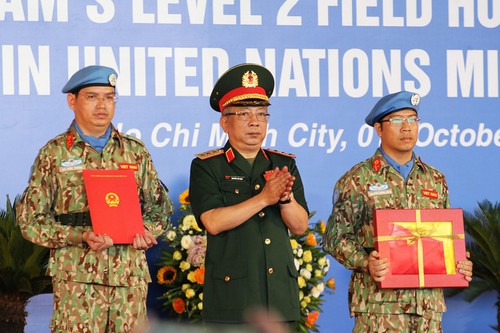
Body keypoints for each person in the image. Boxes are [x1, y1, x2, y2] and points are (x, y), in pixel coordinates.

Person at [16, 65, 173, 333]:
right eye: (92, 97)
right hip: (78, 279)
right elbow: (31, 221)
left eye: (109, 97)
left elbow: (160, 208)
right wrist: (79, 236)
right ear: (72, 101)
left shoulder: (135, 151)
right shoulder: (54, 154)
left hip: (128, 277)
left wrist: (146, 230)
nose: (102, 105)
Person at [322, 91, 473, 332]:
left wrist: (459, 263)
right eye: (397, 120)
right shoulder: (358, 179)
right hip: (380, 310)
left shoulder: (435, 179)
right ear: (379, 129)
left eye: (412, 119)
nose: (407, 128)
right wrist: (365, 261)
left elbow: (443, 239)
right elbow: (334, 238)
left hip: (428, 309)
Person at [189, 63, 309, 326]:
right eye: (244, 114)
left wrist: (285, 198)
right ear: (224, 122)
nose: (255, 121)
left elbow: (300, 226)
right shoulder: (208, 165)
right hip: (234, 301)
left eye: (262, 114)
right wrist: (265, 198)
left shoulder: (283, 163)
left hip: (280, 299)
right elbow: (213, 221)